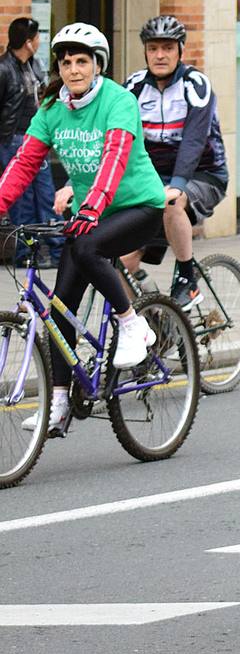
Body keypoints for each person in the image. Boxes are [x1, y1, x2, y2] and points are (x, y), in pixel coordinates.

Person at [0, 23, 166, 435]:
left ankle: (133, 325)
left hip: (138, 206)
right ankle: (58, 404)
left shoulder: (118, 101)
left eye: (82, 61)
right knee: (60, 308)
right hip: (90, 212)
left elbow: (114, 156)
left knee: (89, 248)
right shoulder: (53, 109)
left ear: (97, 65)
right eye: (66, 61)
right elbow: (24, 163)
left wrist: (91, 206)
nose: (73, 69)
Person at [119, 16, 229, 308]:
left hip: (203, 176)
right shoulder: (133, 87)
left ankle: (186, 277)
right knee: (121, 264)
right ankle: (157, 323)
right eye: (153, 48)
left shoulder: (196, 85)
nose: (159, 55)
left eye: (167, 48)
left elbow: (193, 141)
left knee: (171, 202)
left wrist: (178, 184)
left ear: (180, 50)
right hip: (153, 182)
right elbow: (117, 141)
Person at [0, 17, 58, 265]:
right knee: (20, 199)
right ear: (28, 41)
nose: (39, 42)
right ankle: (24, 253)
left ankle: (54, 249)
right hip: (11, 138)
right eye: (36, 38)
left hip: (35, 137)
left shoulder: (35, 65)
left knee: (45, 195)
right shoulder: (3, 69)